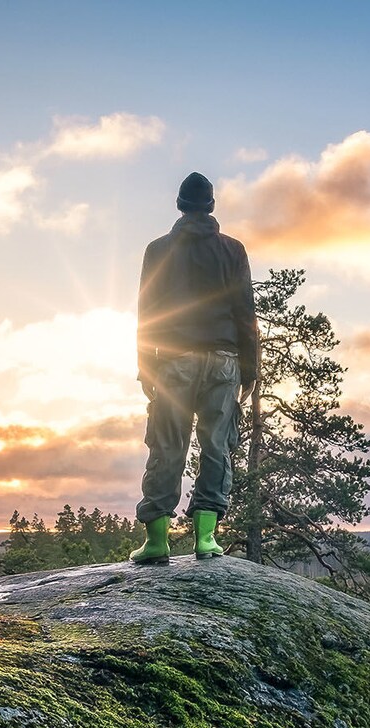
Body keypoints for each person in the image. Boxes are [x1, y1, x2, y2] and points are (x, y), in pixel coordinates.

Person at [130, 171, 259, 564]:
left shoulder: (157, 250)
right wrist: (250, 371)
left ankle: (156, 542)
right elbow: (245, 313)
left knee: (167, 445)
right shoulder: (233, 250)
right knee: (217, 446)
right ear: (212, 206)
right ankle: (206, 539)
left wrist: (145, 369)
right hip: (223, 362)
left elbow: (146, 314)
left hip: (172, 362)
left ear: (180, 206)